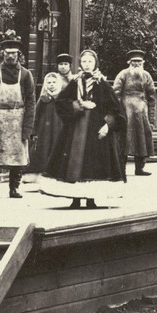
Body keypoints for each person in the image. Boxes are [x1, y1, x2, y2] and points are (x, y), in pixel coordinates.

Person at [44, 49, 127, 208]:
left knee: (93, 162)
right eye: (84, 62)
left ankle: (91, 199)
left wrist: (108, 125)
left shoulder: (101, 83)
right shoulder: (75, 82)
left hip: (96, 129)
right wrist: (79, 105)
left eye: (90, 61)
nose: (87, 65)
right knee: (73, 161)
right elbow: (61, 102)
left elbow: (115, 108)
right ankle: (75, 198)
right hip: (76, 127)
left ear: (95, 63)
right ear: (80, 64)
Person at [0, 35, 38, 199]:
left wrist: (28, 128)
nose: (10, 56)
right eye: (7, 53)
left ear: (18, 54)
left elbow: (31, 102)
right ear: (2, 54)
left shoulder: (25, 75)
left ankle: (14, 188)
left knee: (17, 155)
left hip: (17, 119)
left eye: (14, 53)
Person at [112, 49, 157, 177]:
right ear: (129, 62)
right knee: (124, 139)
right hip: (126, 111)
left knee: (142, 139)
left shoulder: (147, 76)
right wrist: (119, 110)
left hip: (142, 111)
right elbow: (116, 93)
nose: (136, 64)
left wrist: (152, 116)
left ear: (143, 62)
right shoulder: (123, 74)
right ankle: (122, 169)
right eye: (134, 62)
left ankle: (140, 168)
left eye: (139, 62)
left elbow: (152, 96)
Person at [28, 53, 73, 176]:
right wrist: (34, 130)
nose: (63, 67)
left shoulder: (73, 80)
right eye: (60, 64)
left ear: (70, 66)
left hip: (60, 122)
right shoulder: (51, 81)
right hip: (46, 125)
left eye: (66, 64)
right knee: (44, 146)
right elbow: (37, 112)